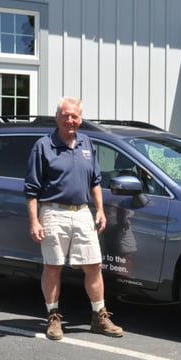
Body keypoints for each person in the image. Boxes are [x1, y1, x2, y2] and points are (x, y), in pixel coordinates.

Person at [24, 96, 124, 340]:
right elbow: (31, 190)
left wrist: (99, 210)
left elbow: (95, 182)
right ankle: (53, 317)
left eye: (75, 116)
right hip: (53, 212)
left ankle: (99, 317)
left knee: (93, 265)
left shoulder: (87, 143)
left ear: (80, 119)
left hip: (81, 212)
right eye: (66, 115)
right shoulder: (43, 146)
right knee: (53, 267)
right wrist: (34, 221)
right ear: (57, 118)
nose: (70, 120)